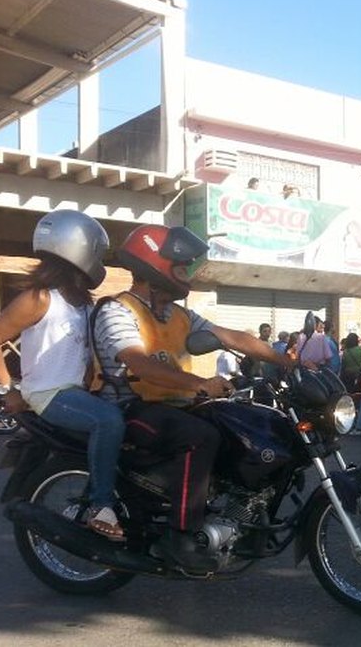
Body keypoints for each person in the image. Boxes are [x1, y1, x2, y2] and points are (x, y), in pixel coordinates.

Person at [91, 224, 292, 571]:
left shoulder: (178, 314)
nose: (188, 275)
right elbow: (139, 363)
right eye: (182, 267)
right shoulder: (117, 310)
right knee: (200, 437)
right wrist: (198, 383)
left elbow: (231, 336)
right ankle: (180, 535)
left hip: (171, 406)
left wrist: (291, 361)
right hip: (128, 408)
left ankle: (240, 517)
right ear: (155, 267)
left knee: (239, 426)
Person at [0, 210, 127, 541]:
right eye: (96, 252)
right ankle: (100, 506)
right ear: (78, 250)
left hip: (75, 393)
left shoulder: (82, 304)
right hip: (48, 394)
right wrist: (8, 389)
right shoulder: (39, 298)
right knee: (107, 422)